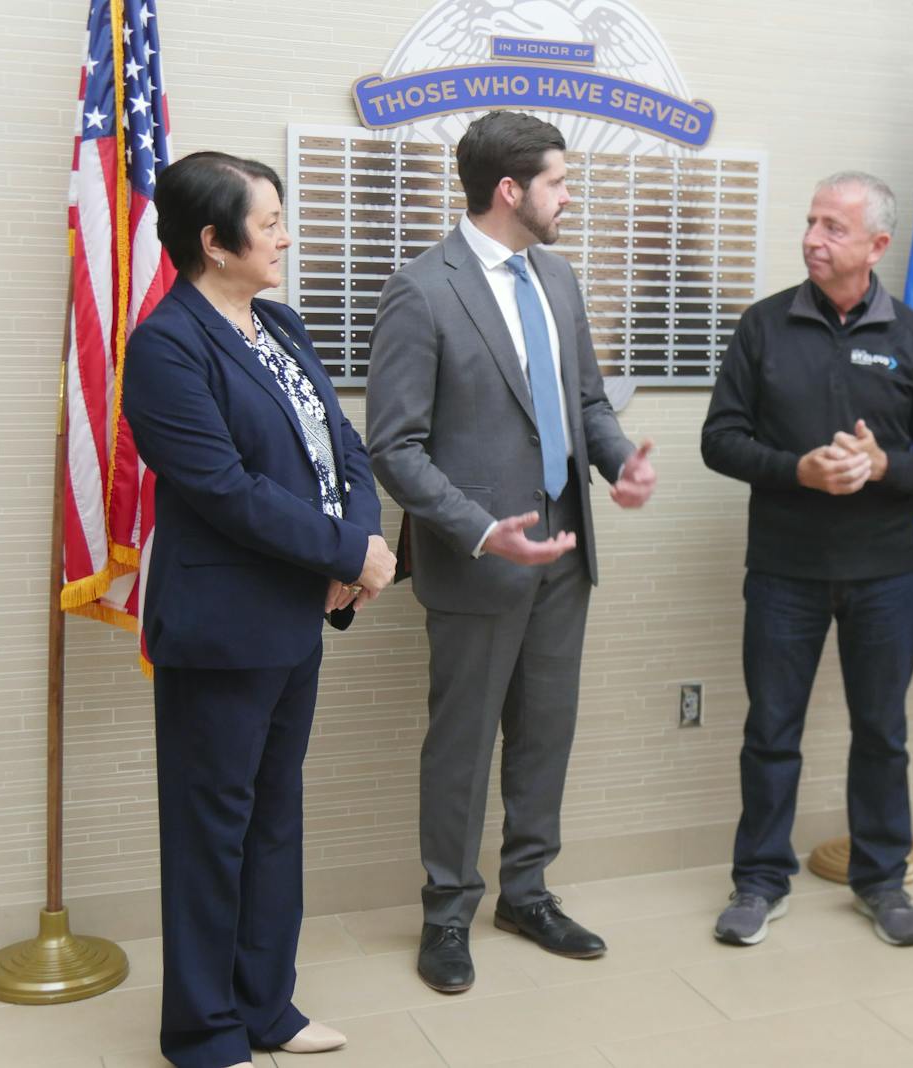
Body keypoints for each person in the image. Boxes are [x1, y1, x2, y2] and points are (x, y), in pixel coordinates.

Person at [364, 111, 657, 994]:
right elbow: (394, 446)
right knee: (462, 746)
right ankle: (447, 912)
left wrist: (619, 465)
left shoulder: (558, 279)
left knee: (544, 734)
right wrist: (481, 528)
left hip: (564, 552)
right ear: (509, 190)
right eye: (560, 183)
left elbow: (589, 402)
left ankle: (526, 892)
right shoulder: (423, 289)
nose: (569, 198)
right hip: (481, 560)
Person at [124, 151, 397, 1068]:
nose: (284, 235)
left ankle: (266, 1009)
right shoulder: (164, 345)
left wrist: (358, 543)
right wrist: (346, 552)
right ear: (214, 240)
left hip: (294, 615)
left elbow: (342, 447)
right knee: (212, 833)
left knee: (276, 819)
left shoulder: (277, 323)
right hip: (221, 629)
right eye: (269, 220)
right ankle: (203, 1033)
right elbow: (224, 488)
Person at [701, 172, 913, 948]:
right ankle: (759, 881)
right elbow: (720, 439)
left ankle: (882, 881)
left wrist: (884, 469)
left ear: (877, 246)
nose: (813, 238)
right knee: (771, 731)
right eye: (811, 221)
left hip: (885, 575)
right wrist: (798, 470)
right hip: (784, 571)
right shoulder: (763, 327)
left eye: (834, 228)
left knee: (882, 732)